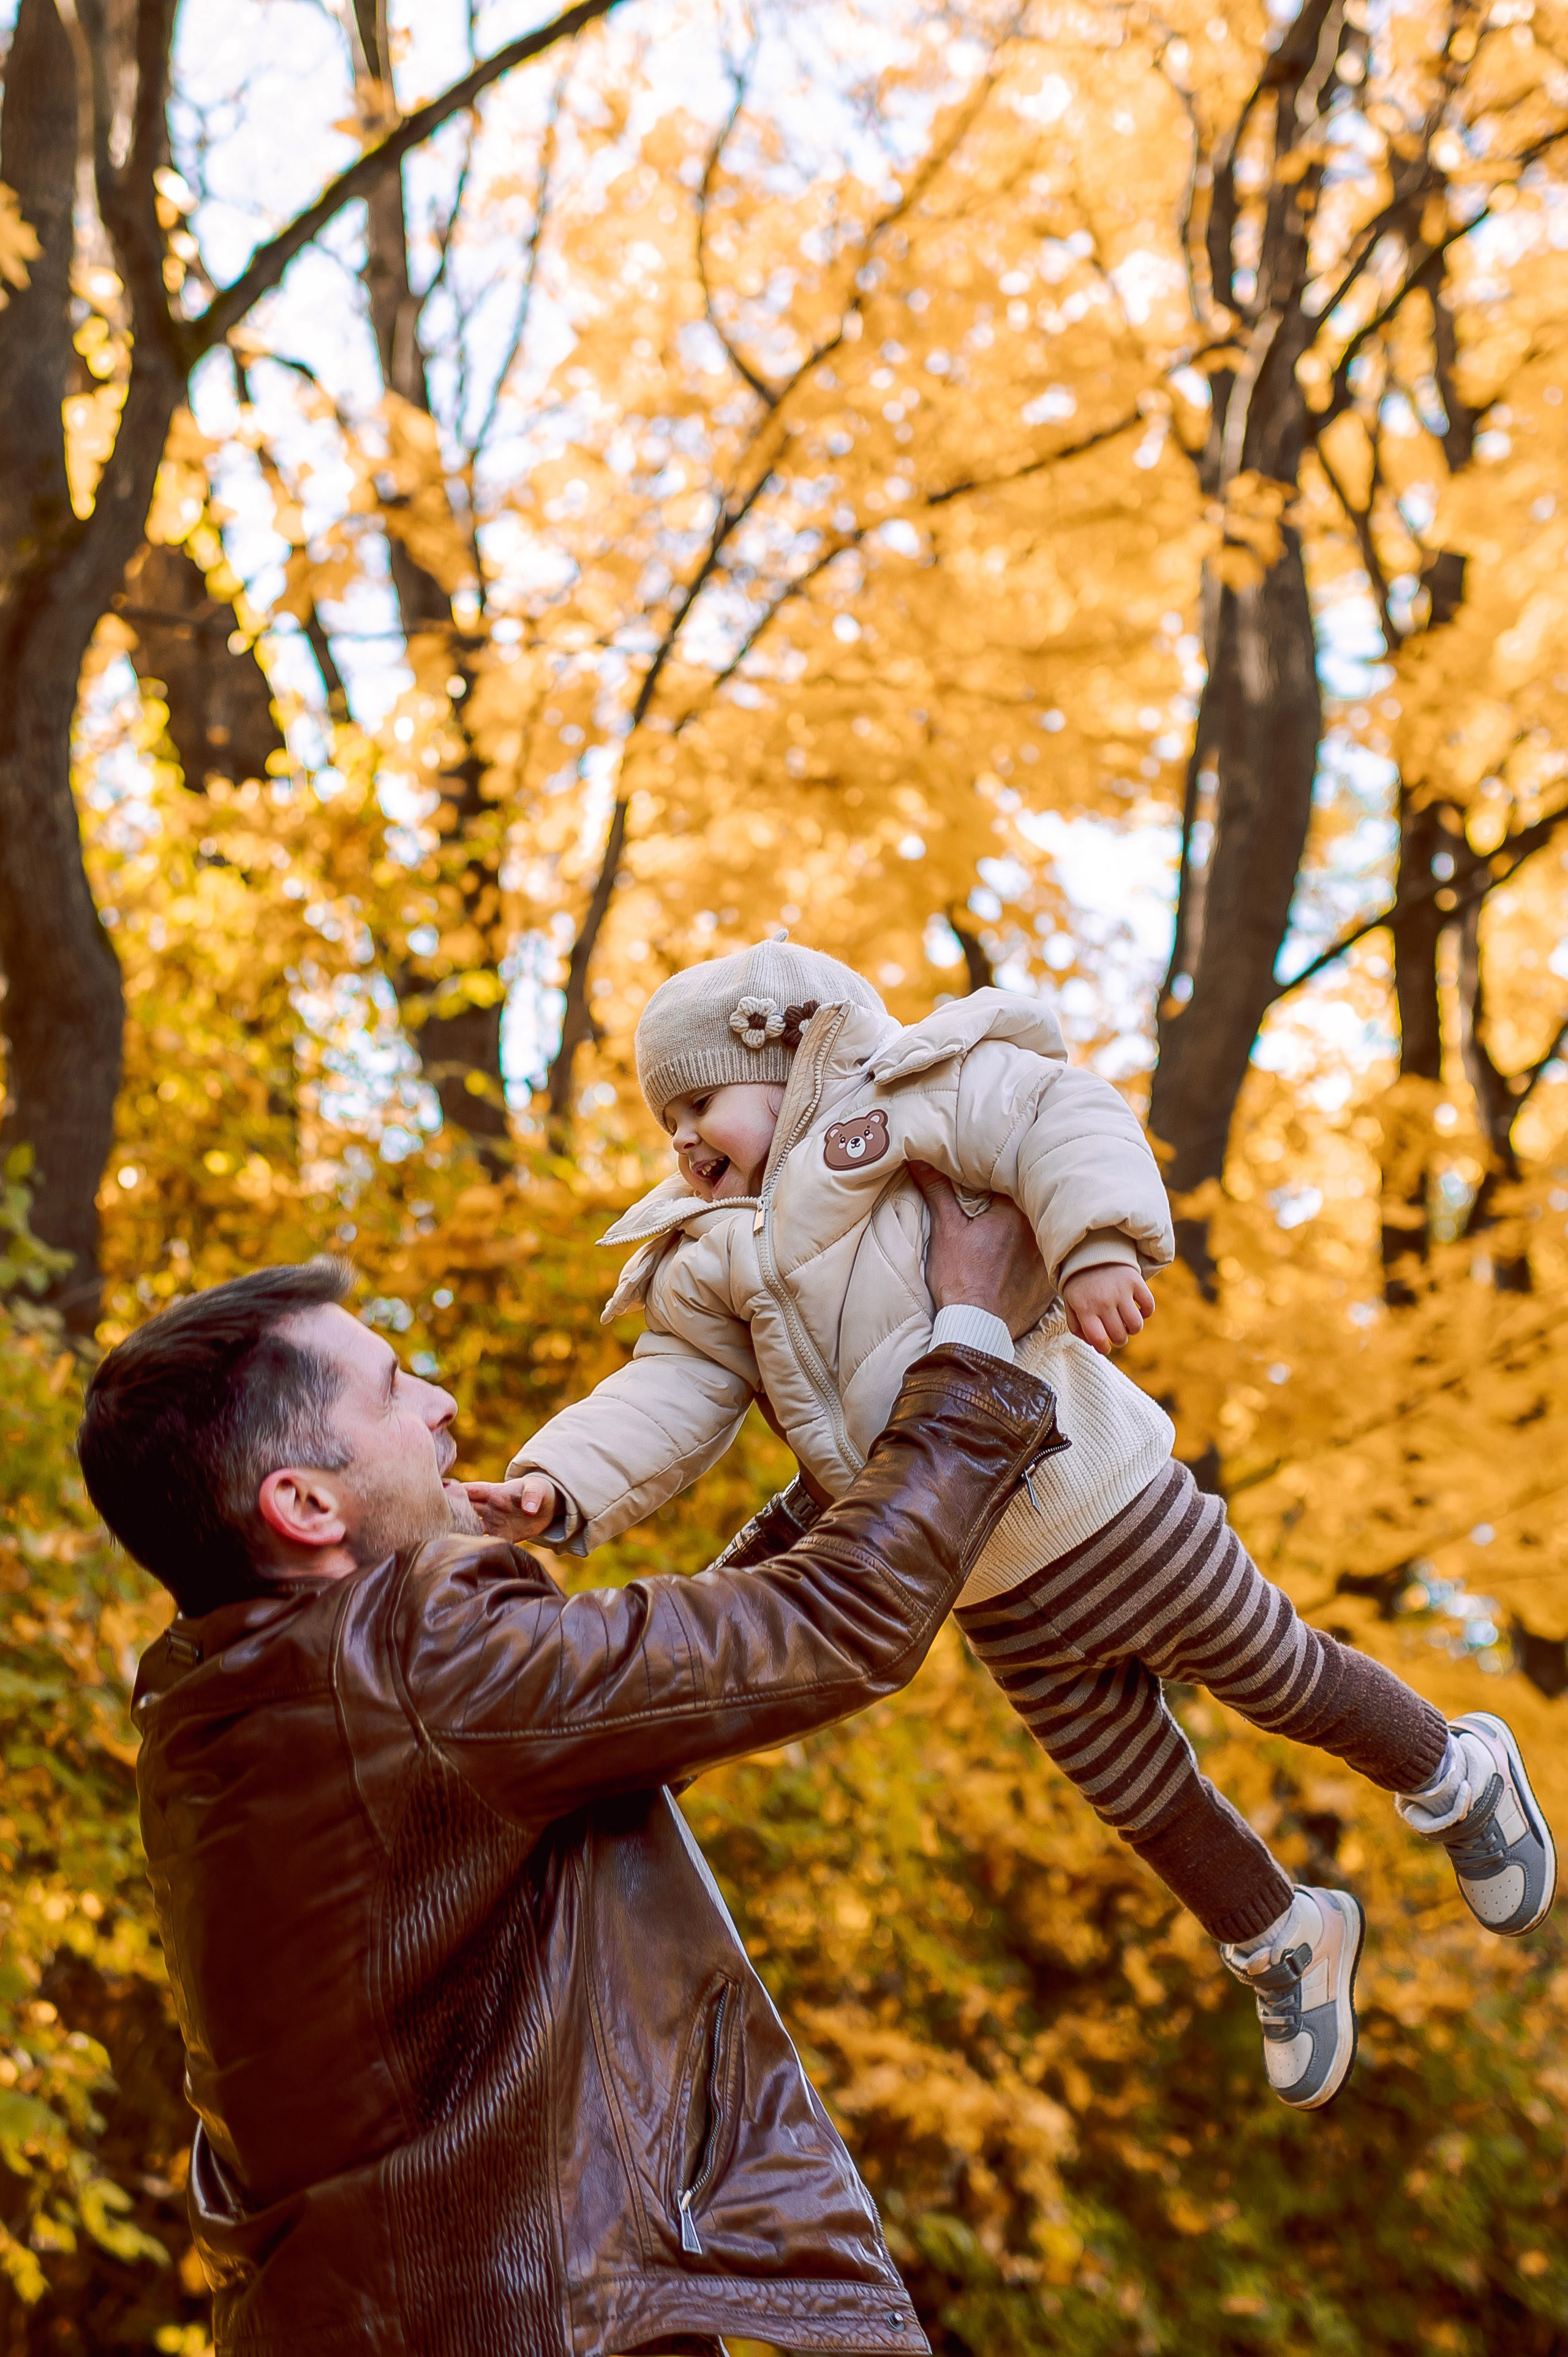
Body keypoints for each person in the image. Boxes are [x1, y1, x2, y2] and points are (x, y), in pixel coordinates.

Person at [473, 936, 1557, 2113]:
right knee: (1135, 1789)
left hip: (1111, 1498)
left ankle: (1456, 1771)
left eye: (699, 1103)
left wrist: (1094, 1243)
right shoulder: (707, 1255)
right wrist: (559, 1484)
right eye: (663, 1124)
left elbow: (1057, 1116)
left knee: (1276, 1673)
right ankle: (1280, 1935)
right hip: (979, 1583)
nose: (682, 1143)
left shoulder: (901, 1102)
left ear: (789, 1054)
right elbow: (668, 1391)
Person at [77, 1197, 1063, 2357]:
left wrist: (825, 1486)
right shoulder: (415, 1665)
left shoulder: (217, 1713)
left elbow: (635, 1707)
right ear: (305, 1505)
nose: (442, 1409)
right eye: (395, 1392)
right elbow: (841, 1625)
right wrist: (969, 1348)